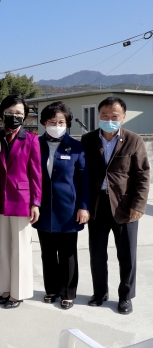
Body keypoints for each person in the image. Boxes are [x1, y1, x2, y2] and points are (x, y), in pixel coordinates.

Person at [82, 97, 149, 315]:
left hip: (124, 206)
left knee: (127, 255)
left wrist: (138, 204)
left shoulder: (133, 140)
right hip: (97, 205)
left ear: (123, 117)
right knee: (97, 254)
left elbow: (142, 174)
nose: (109, 119)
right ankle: (99, 293)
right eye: (105, 115)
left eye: (114, 116)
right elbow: (82, 173)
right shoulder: (88, 139)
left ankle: (125, 297)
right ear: (98, 116)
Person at [32, 101, 89, 310]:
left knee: (67, 254)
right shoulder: (35, 145)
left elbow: (84, 180)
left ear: (67, 124)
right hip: (42, 209)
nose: (56, 125)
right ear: (44, 123)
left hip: (68, 210)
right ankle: (51, 290)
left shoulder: (76, 147)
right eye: (52, 121)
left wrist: (84, 206)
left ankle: (68, 293)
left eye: (61, 122)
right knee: (47, 253)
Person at [0, 94, 42, 309]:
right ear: (2, 113)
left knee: (21, 249)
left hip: (22, 200)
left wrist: (36, 202)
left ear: (25, 116)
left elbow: (36, 173)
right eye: (10, 112)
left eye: (19, 113)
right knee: (3, 248)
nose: (14, 116)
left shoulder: (31, 139)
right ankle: (6, 289)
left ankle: (19, 293)